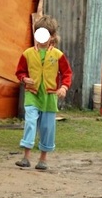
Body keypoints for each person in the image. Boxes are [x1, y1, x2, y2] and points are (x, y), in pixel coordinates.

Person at [14, 16, 73, 170]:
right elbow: (20, 72)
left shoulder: (58, 55)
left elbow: (67, 73)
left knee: (47, 127)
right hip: (32, 94)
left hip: (49, 96)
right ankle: (26, 157)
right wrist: (24, 79)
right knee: (30, 123)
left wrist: (64, 88)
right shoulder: (27, 54)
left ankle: (43, 159)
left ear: (52, 36)